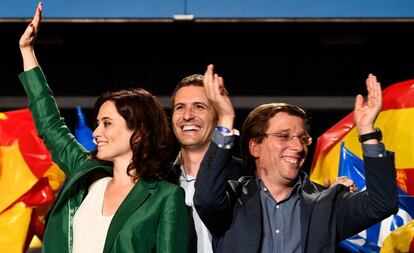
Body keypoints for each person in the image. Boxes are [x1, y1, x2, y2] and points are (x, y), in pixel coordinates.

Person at [18, 3, 188, 253]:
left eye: (107, 123)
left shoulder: (165, 197)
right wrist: (27, 51)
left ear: (138, 133)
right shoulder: (89, 174)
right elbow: (50, 125)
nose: (96, 132)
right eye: (97, 123)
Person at [194, 64, 398, 252]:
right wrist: (226, 119)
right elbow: (206, 198)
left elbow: (382, 203)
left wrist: (367, 131)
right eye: (283, 136)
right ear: (255, 147)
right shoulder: (232, 200)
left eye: (302, 138)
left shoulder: (327, 203)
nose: (297, 146)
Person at [167, 73, 247, 253]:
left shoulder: (247, 178)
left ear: (219, 117)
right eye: (180, 107)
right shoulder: (158, 182)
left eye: (199, 107)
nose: (187, 116)